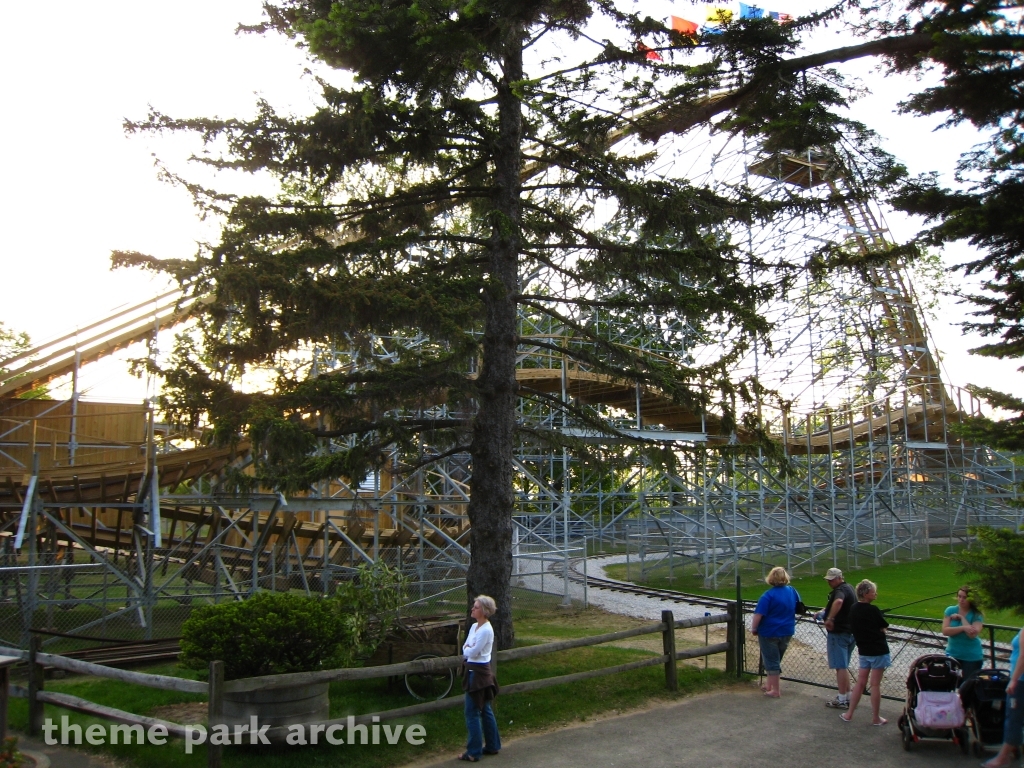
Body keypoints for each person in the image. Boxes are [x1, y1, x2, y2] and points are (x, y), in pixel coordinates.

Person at [840, 579, 890, 726]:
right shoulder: (873, 610)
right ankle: (875, 718)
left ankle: (849, 714)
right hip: (878, 651)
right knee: (875, 685)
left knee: (860, 683)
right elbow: (883, 626)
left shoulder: (854, 608)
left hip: (864, 651)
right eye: (874, 591)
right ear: (866, 593)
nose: (876, 594)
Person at [459, 595, 501, 762]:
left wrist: (468, 649)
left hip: (478, 674)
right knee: (485, 709)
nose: (472, 609)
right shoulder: (474, 627)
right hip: (474, 670)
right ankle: (492, 745)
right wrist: (468, 648)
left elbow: (472, 651)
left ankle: (474, 752)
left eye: (475, 607)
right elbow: (465, 646)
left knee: (472, 712)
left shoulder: (486, 630)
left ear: (484, 611)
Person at [751, 566, 801, 698]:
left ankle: (776, 690)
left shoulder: (768, 595)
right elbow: (798, 605)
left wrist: (754, 628)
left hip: (769, 631)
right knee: (776, 659)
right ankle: (769, 685)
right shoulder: (792, 591)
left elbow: (758, 614)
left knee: (771, 661)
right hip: (787, 630)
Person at [980, 624, 1024, 768]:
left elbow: (1023, 656)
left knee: (1013, 718)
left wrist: (1014, 680)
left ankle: (1003, 758)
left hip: (1020, 681)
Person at [816, 567, 857, 709]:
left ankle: (842, 698)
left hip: (839, 632)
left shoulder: (839, 591)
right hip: (851, 632)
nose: (829, 582)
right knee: (843, 665)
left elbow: (838, 602)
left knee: (840, 666)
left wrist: (830, 618)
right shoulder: (849, 588)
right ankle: (848, 696)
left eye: (831, 580)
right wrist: (824, 611)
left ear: (839, 578)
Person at [942, 586, 985, 679]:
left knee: (967, 686)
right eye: (959, 596)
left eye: (964, 597)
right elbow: (945, 631)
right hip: (952, 653)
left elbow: (972, 635)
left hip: (971, 657)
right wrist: (963, 627)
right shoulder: (950, 610)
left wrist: (962, 618)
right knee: (949, 682)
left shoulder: (976, 614)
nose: (961, 600)